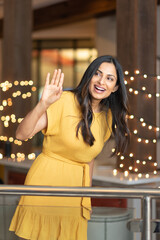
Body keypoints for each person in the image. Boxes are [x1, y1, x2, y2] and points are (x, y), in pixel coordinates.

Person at [9, 55, 130, 240]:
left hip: (76, 193)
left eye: (109, 78)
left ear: (115, 88)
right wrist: (43, 104)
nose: (101, 81)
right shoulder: (64, 100)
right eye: (97, 74)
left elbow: (88, 158)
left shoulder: (108, 118)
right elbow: (21, 135)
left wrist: (86, 198)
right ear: (89, 77)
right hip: (45, 183)